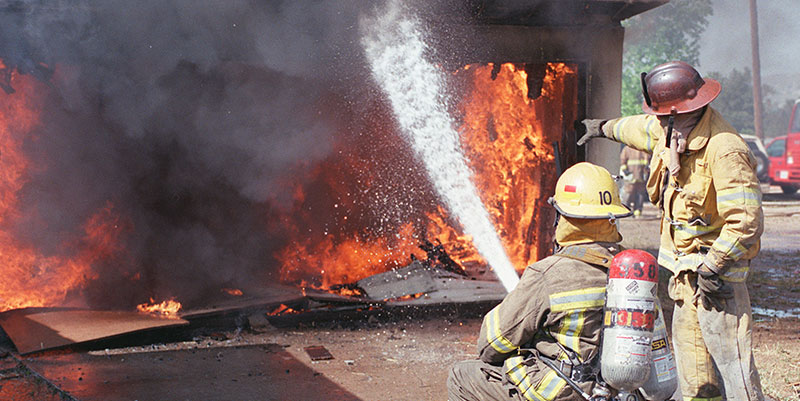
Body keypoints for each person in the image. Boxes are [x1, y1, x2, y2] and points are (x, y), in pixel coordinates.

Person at [578, 61, 764, 401]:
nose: (658, 123)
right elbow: (636, 127)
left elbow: (745, 221)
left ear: (683, 111)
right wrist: (602, 127)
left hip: (718, 283)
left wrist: (713, 267)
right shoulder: (672, 131)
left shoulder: (725, 149)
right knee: (695, 374)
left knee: (734, 372)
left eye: (663, 116)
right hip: (684, 279)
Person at [447, 162, 632, 401]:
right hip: (616, 392)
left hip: (563, 392)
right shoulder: (632, 270)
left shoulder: (548, 274)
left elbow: (491, 345)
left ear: (563, 217)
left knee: (461, 376)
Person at [619, 145, 650, 217]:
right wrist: (625, 170)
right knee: (633, 193)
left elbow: (623, 160)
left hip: (634, 175)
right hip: (638, 175)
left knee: (634, 193)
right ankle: (631, 210)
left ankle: (632, 211)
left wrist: (625, 170)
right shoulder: (641, 147)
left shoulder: (627, 148)